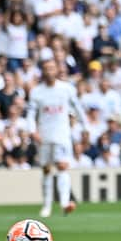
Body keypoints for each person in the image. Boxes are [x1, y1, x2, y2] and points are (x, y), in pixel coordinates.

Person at [27, 59, 89, 218]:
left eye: (52, 68)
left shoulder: (66, 89)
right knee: (47, 169)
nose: (49, 72)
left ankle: (64, 203)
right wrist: (32, 130)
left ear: (57, 70)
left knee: (62, 166)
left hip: (62, 134)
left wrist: (85, 127)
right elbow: (31, 114)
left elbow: (78, 108)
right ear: (42, 71)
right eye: (46, 69)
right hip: (44, 135)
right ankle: (46, 205)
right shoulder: (37, 91)